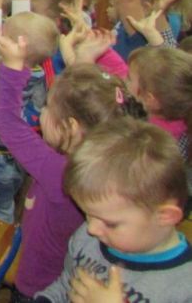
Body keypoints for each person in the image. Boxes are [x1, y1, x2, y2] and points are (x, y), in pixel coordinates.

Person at [0, 18, 146, 302]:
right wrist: (83, 60)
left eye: (47, 107)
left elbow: (6, 121)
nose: (42, 113)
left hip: (38, 285)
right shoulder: (113, 163)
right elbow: (84, 100)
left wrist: (13, 66)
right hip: (65, 276)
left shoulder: (60, 172)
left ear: (72, 126)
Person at [35, 119, 192, 302]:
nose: (91, 228)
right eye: (88, 214)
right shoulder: (88, 239)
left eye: (110, 224)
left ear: (165, 216)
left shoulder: (184, 287)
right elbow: (66, 285)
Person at [0, 12, 58, 224]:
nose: (0, 36)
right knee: (2, 204)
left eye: (4, 34)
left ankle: (0, 239)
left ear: (19, 47)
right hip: (2, 157)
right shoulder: (29, 70)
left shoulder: (12, 76)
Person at [127, 45, 192, 156]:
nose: (124, 79)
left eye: (129, 78)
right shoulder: (181, 118)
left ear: (149, 99)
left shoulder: (148, 144)